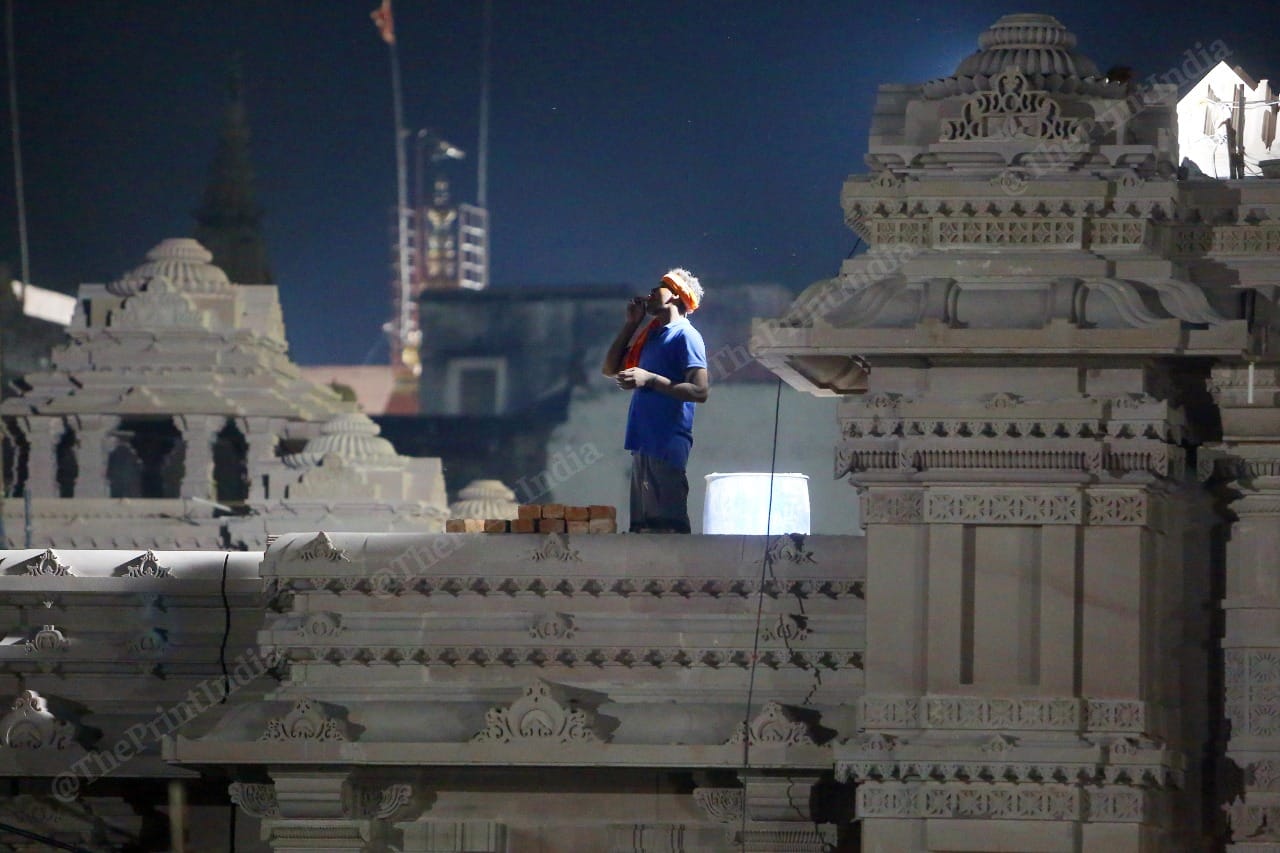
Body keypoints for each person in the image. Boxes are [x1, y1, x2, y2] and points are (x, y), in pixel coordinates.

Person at [601, 268, 709, 533]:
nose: (648, 294)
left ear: (675, 294)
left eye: (657, 288)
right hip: (643, 443)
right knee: (644, 528)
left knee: (667, 526)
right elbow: (610, 367)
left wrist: (649, 379)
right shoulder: (652, 337)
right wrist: (631, 324)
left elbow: (700, 391)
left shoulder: (686, 336)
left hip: (666, 443)